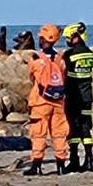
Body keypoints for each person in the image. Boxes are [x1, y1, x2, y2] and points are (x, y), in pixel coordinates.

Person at [27, 24, 71, 175]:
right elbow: (64, 77)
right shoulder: (60, 59)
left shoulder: (36, 59)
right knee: (59, 134)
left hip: (41, 102)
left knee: (39, 134)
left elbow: (32, 78)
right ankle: (61, 165)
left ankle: (36, 165)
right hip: (58, 102)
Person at [62, 21, 93, 172]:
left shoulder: (69, 55)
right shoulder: (89, 53)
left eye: (69, 38)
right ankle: (89, 158)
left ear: (76, 36)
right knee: (85, 126)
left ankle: (74, 160)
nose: (67, 41)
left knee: (73, 127)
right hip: (87, 96)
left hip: (74, 96)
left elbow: (63, 72)